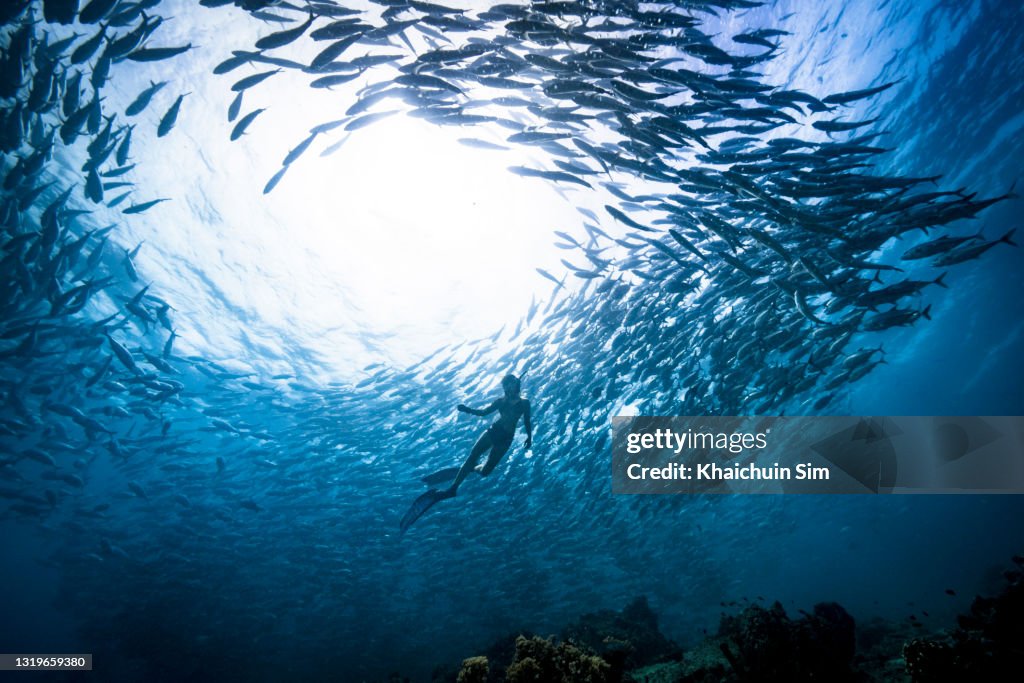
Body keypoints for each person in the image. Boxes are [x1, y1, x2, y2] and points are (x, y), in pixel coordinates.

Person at [400, 373, 532, 533]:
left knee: (485, 472)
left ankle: (471, 468)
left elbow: (527, 421)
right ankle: (452, 488)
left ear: (516, 384)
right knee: (471, 457)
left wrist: (529, 437)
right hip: (493, 431)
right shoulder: (501, 401)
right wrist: (467, 410)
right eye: (505, 386)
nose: (507, 388)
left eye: (509, 384)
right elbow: (484, 412)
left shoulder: (525, 403)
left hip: (506, 439)